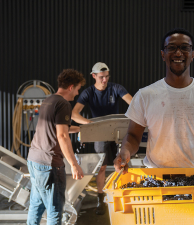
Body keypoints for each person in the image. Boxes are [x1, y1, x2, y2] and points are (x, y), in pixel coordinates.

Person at [114, 28, 194, 175]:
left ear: (193, 54)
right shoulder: (145, 95)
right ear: (163, 54)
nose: (178, 53)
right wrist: (125, 151)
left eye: (185, 48)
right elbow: (133, 136)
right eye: (171, 48)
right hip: (156, 178)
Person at [71, 62, 132, 215]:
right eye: (101, 77)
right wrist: (90, 124)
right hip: (99, 132)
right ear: (94, 76)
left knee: (123, 164)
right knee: (102, 167)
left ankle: (123, 195)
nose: (104, 80)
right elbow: (74, 114)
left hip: (117, 131)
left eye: (106, 77)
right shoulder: (88, 92)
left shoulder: (116, 88)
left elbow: (133, 103)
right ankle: (100, 199)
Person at [27, 69, 86, 225]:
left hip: (34, 161)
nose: (77, 93)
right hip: (49, 165)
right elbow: (62, 136)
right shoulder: (63, 104)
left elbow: (59, 128)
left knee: (36, 206)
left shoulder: (49, 100)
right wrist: (74, 165)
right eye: (78, 89)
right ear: (71, 87)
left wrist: (82, 128)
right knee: (54, 212)